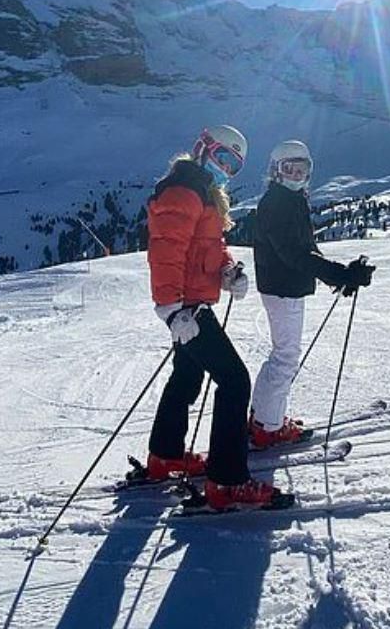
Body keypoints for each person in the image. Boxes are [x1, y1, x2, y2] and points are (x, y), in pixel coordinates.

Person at [145, 124, 281, 509]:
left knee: (187, 377)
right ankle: (227, 480)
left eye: (235, 166)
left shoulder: (201, 190)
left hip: (191, 305)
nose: (227, 169)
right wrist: (171, 311)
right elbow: (166, 253)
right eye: (223, 158)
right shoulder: (183, 191)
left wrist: (228, 270)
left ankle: (165, 454)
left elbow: (207, 247)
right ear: (203, 149)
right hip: (186, 308)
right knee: (235, 381)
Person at [250, 140, 375, 448]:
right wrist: (339, 274)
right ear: (276, 172)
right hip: (283, 289)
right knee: (286, 358)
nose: (295, 175)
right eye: (288, 169)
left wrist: (337, 278)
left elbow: (304, 249)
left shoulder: (290, 199)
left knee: (281, 355)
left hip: (282, 286)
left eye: (301, 169)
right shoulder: (279, 203)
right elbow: (295, 253)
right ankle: (268, 426)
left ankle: (263, 418)